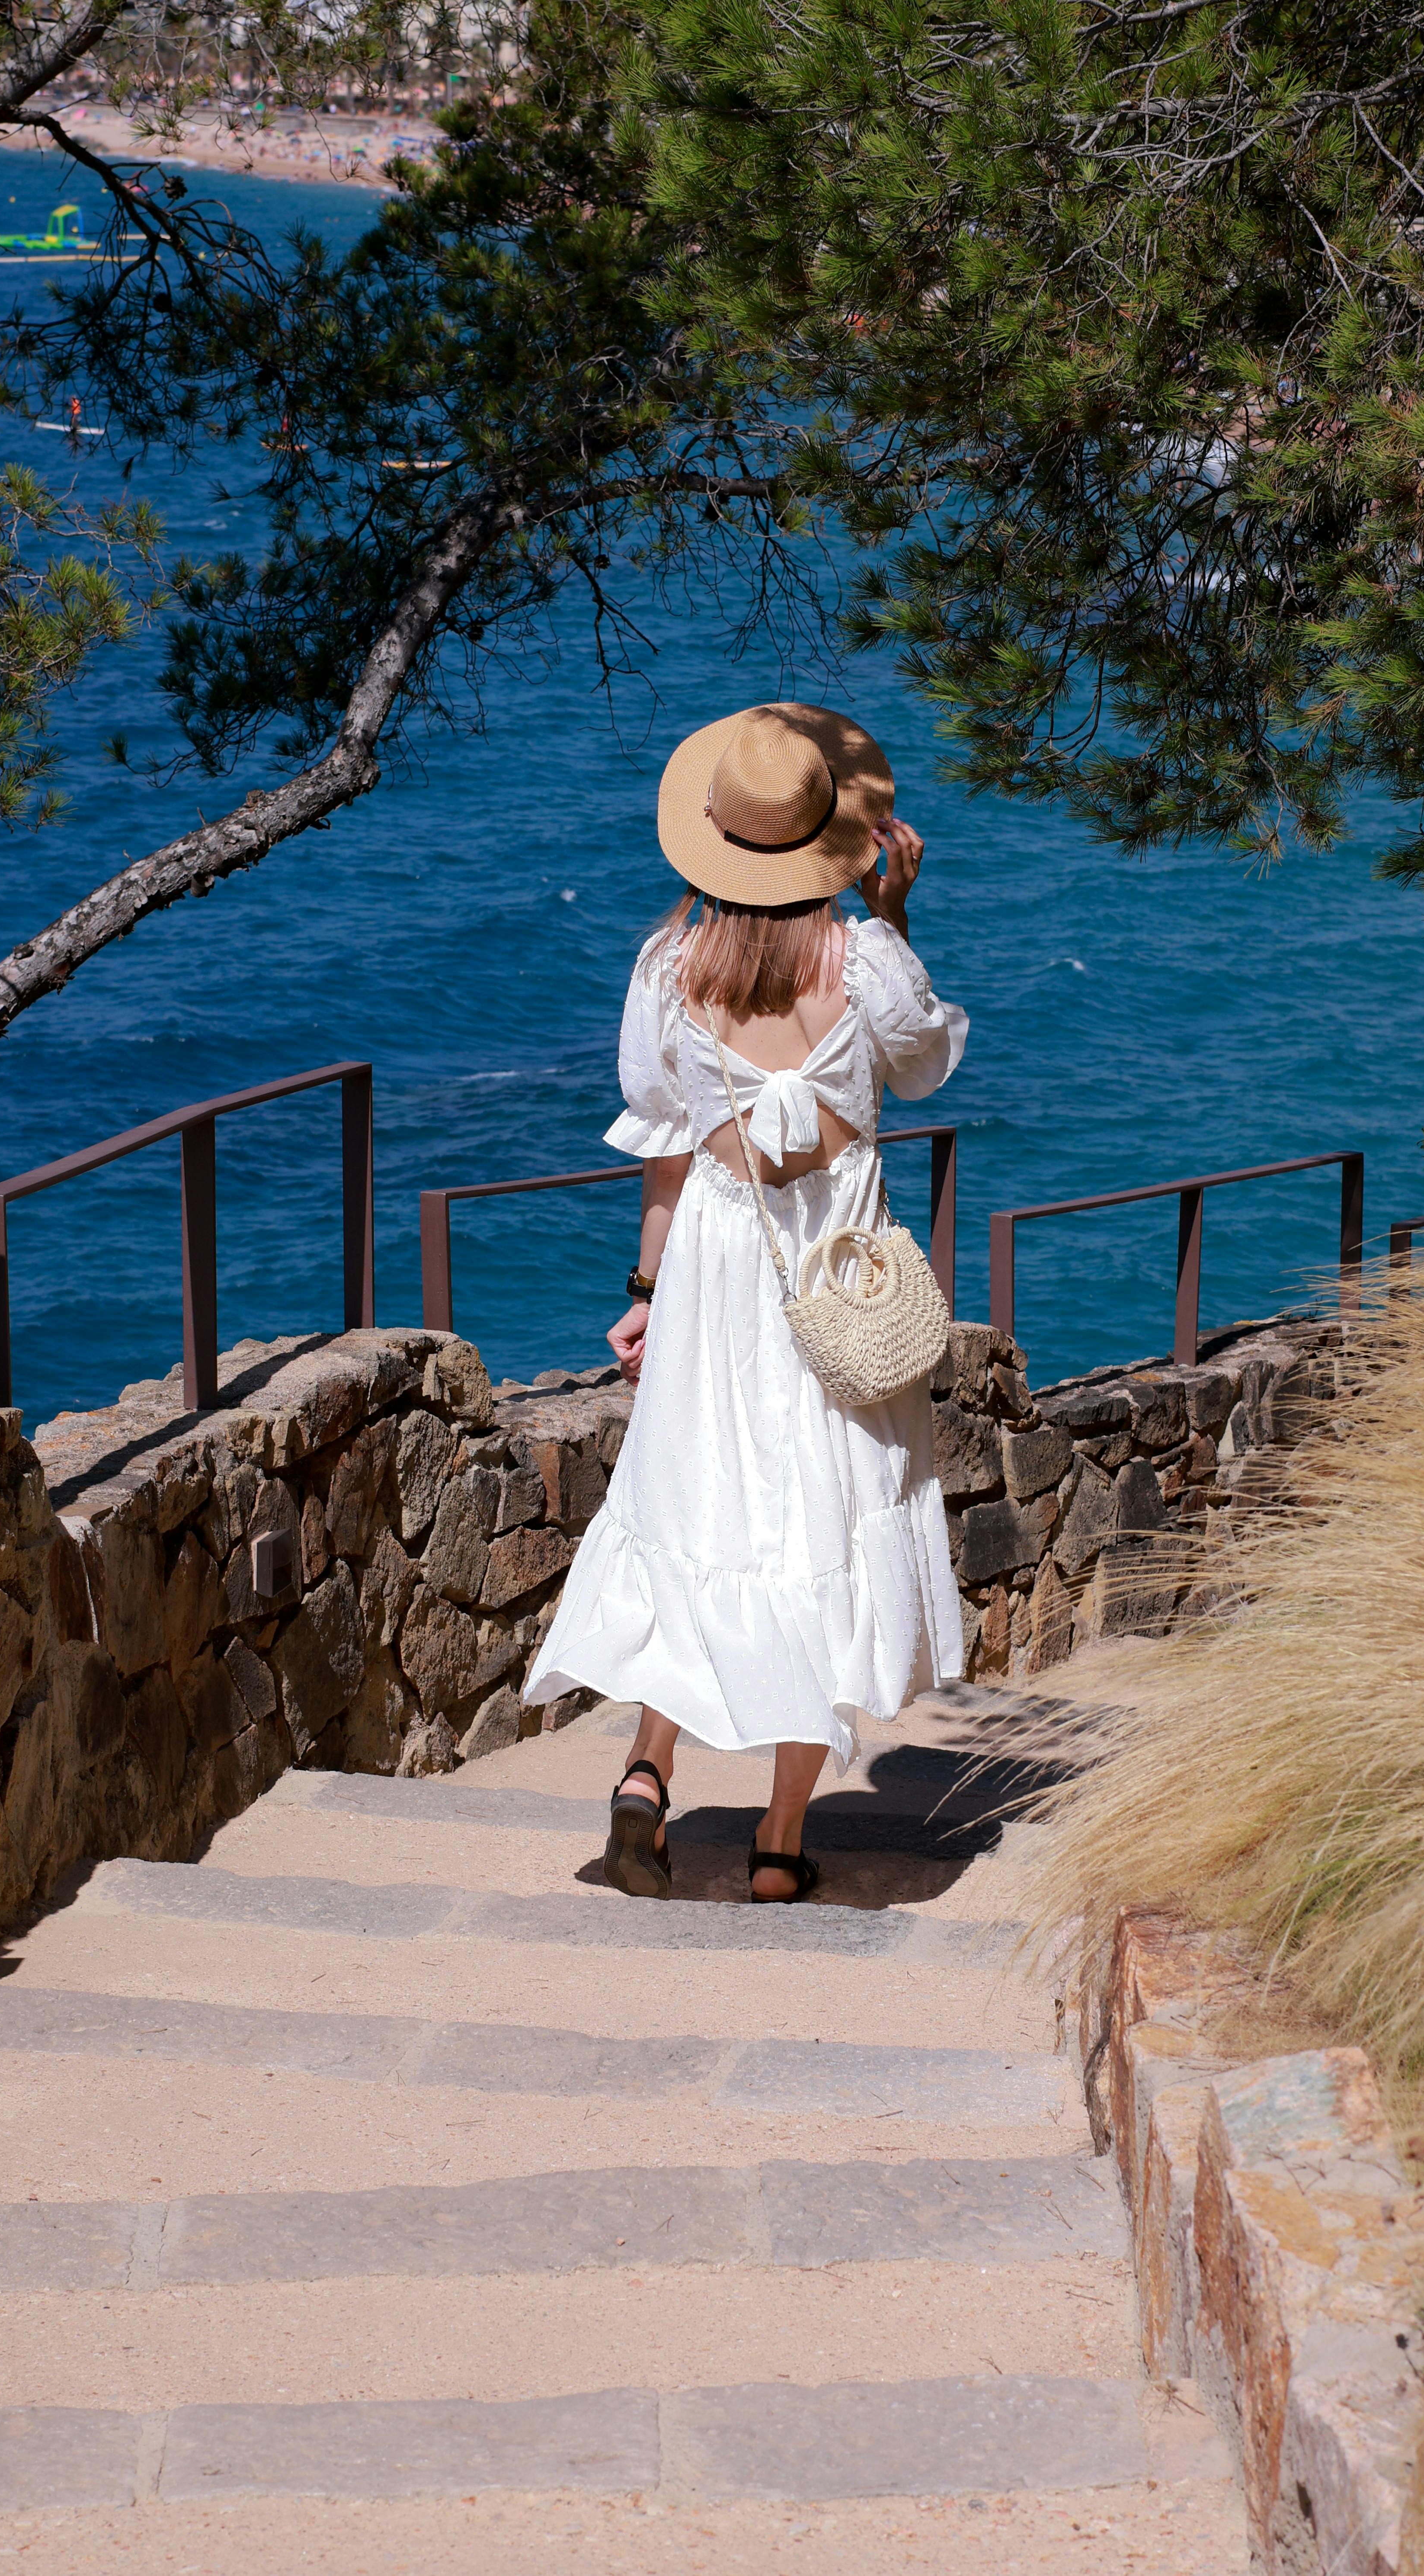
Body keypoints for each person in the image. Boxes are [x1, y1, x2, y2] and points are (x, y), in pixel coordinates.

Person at [522, 702, 969, 1901]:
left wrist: (645, 1289)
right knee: (821, 1524)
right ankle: (778, 1843)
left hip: (721, 1272)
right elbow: (920, 1058)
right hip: (831, 1273)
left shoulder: (670, 968)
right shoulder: (863, 960)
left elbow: (666, 1147)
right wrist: (893, 916)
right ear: (833, 841)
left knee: (698, 1506)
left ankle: (644, 1783)